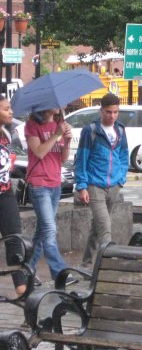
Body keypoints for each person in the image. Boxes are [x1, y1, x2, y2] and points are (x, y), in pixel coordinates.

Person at [74, 93, 129, 269]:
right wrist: (82, 186)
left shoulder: (120, 130)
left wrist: (121, 179)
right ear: (101, 111)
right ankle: (107, 266)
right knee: (105, 226)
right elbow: (81, 159)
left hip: (114, 185)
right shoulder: (90, 131)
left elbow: (123, 155)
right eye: (108, 112)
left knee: (97, 227)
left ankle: (86, 264)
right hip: (94, 185)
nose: (112, 116)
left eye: (115, 112)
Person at [25, 108, 77, 286]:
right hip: (39, 184)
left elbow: (61, 159)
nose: (59, 105)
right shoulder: (32, 125)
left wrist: (67, 141)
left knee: (42, 231)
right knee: (49, 229)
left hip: (55, 184)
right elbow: (39, 152)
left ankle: (27, 271)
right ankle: (60, 273)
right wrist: (56, 134)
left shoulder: (58, 124)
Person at [0, 96, 27, 297]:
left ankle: (23, 293)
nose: (11, 112)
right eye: (6, 109)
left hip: (5, 193)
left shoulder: (6, 134)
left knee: (15, 239)